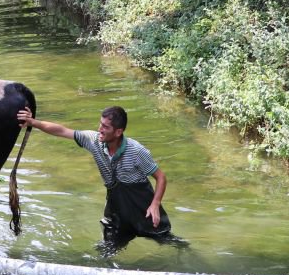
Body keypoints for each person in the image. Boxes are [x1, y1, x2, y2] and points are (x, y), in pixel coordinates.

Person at [17, 105, 173, 251]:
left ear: (118, 132)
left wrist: (155, 204)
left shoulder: (137, 151)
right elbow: (62, 131)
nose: (100, 130)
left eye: (105, 127)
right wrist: (33, 122)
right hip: (116, 210)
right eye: (100, 124)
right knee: (106, 251)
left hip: (143, 209)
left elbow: (161, 177)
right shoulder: (94, 141)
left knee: (171, 244)